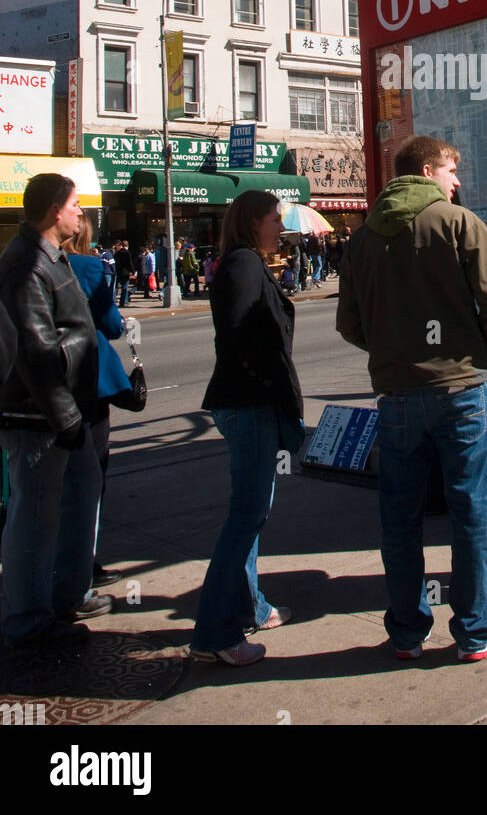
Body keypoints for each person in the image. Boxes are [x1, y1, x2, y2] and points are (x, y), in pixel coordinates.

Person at [336, 134, 487, 662]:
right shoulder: (459, 224)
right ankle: (476, 629)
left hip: (396, 395)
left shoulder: (364, 237)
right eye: (451, 170)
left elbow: (349, 323)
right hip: (461, 389)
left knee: (400, 517)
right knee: (471, 509)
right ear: (429, 171)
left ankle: (408, 631)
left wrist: (394, 350)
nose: (457, 181)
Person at [190, 191, 304, 667]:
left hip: (251, 404)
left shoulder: (248, 263)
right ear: (254, 221)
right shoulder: (242, 264)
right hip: (249, 406)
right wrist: (266, 385)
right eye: (275, 219)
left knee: (251, 513)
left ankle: (249, 606)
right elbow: (237, 335)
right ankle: (216, 631)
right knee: (245, 517)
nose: (281, 227)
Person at [0, 174, 102, 649]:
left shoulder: (49, 257)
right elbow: (37, 352)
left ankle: (63, 597)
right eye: (74, 205)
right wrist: (63, 416)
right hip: (38, 416)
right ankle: (28, 621)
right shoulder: (24, 264)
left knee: (74, 501)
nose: (80, 212)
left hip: (65, 410)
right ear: (52, 211)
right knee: (36, 516)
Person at [64, 216, 138, 609]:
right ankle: (82, 570)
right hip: (88, 378)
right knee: (91, 476)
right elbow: (109, 323)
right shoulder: (90, 267)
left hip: (44, 385)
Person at [114, 240, 133, 307]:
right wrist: (132, 271)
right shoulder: (127, 253)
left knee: (116, 287)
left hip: (118, 271)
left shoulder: (117, 253)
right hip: (125, 272)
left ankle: (113, 300)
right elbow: (130, 263)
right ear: (127, 246)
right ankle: (123, 302)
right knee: (124, 287)